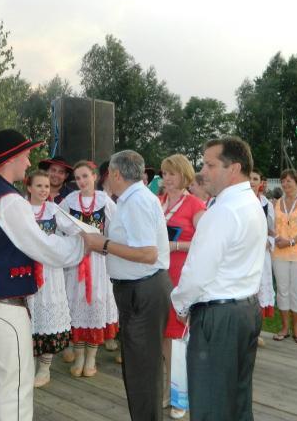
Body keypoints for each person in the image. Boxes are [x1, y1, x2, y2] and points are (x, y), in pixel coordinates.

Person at [0, 129, 85, 421]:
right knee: (14, 385)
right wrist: (83, 244)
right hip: (4, 306)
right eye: (26, 155)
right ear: (11, 158)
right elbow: (41, 245)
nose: (29, 162)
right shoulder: (9, 199)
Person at [171, 136, 266, 421]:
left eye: (210, 165)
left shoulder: (223, 211)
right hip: (245, 309)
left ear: (233, 168)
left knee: (211, 404)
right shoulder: (250, 203)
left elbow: (198, 273)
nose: (202, 172)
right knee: (237, 400)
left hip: (219, 316)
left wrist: (180, 304)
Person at [82, 150, 172, 421]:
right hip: (139, 288)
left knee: (142, 370)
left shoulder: (137, 202)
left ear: (116, 174)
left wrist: (104, 244)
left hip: (142, 289)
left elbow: (148, 253)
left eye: (108, 173)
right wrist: (105, 245)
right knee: (139, 367)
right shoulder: (133, 199)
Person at [59, 161, 119, 378]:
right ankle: (79, 356)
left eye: (85, 176)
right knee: (76, 304)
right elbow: (59, 224)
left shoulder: (105, 201)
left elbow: (114, 229)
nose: (82, 181)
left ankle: (91, 358)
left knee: (95, 304)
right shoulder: (69, 201)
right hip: (76, 260)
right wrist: (74, 238)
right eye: (78, 178)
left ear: (94, 176)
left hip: (98, 262)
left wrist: (104, 245)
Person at [158, 154, 205, 419]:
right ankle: (170, 387)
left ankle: (181, 397)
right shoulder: (158, 201)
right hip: (158, 275)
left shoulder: (195, 204)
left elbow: (205, 242)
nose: (167, 178)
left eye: (172, 173)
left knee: (179, 338)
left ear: (184, 175)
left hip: (181, 275)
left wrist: (175, 245)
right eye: (164, 173)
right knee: (165, 336)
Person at [25, 170, 77, 388]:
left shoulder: (53, 210)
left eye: (46, 186)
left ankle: (44, 368)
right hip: (26, 270)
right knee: (28, 317)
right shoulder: (21, 209)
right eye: (39, 186)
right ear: (29, 187)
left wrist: (65, 247)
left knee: (48, 318)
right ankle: (27, 365)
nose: (44, 190)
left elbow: (74, 228)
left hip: (50, 272)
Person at [271, 169, 297, 345]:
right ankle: (284, 328)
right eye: (283, 181)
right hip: (279, 252)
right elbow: (270, 227)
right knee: (282, 290)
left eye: (289, 181)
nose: (285, 184)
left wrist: (289, 242)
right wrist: (276, 238)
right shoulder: (275, 203)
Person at [250, 169, 276, 347]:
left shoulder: (267, 204)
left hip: (260, 255)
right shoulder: (237, 202)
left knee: (259, 293)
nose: (252, 182)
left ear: (261, 183)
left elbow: (273, 231)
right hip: (242, 255)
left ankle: (256, 333)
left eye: (255, 179)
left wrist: (269, 241)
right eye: (249, 178)